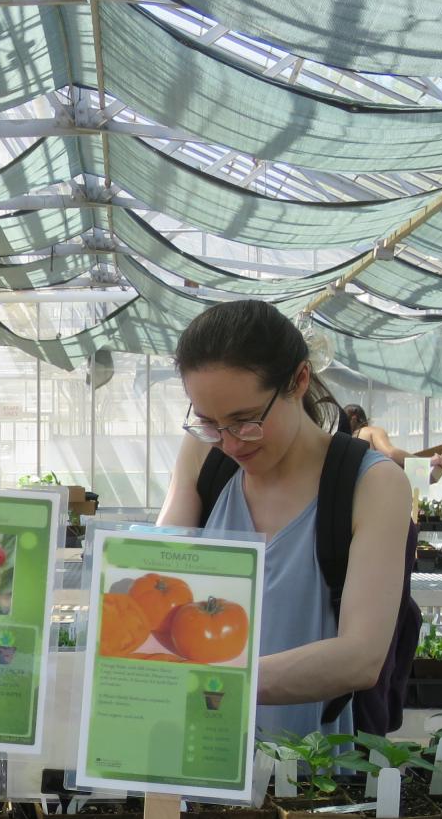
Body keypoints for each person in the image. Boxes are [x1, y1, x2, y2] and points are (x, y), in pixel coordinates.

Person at [157, 300, 413, 739]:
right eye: (209, 423)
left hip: (315, 773)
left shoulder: (372, 485)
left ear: (298, 381)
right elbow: (162, 572)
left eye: (246, 421)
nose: (231, 444)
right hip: (202, 745)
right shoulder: (205, 457)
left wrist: (216, 679)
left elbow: (361, 656)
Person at [342, 404, 442, 483]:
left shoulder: (344, 444)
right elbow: (391, 453)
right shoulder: (371, 431)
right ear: (357, 417)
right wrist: (428, 461)